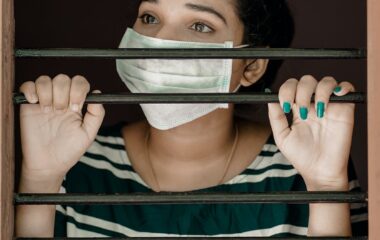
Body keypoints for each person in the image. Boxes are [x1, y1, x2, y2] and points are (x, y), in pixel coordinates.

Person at [16, 0, 367, 237]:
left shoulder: (303, 169)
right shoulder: (75, 159)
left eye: (200, 26)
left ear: (253, 65)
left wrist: (326, 189)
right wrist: (40, 179)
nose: (159, 41)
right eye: (150, 18)